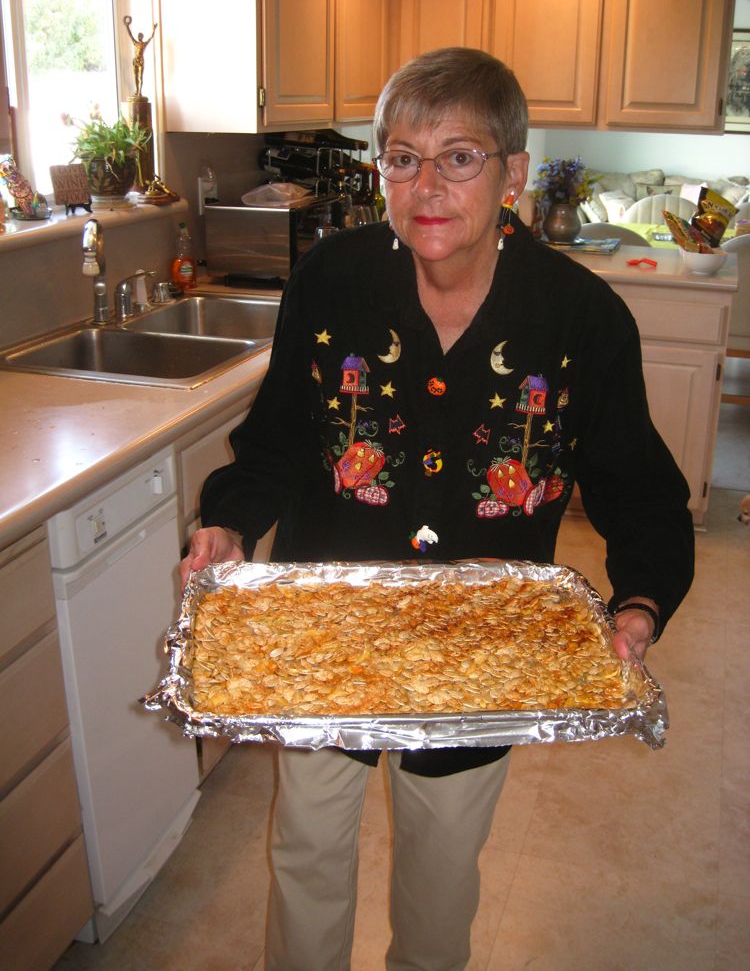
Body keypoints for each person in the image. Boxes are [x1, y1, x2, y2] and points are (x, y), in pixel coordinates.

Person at [180, 47, 694, 971]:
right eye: (401, 156)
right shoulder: (332, 281)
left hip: (480, 656)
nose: (427, 185)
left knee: (440, 876)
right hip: (329, 632)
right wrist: (227, 520)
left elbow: (638, 485)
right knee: (306, 853)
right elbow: (281, 443)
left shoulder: (579, 320)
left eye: (460, 157)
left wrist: (641, 600)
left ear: (513, 174)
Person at [123, 15, 157, 99]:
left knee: (140, 76)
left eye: (140, 36)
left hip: (141, 61)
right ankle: (137, 90)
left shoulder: (143, 44)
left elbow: (151, 37)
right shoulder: (135, 43)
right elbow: (130, 35)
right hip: (135, 60)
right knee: (135, 75)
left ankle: (139, 92)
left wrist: (154, 29)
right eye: (138, 36)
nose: (139, 37)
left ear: (142, 37)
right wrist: (127, 26)